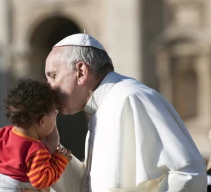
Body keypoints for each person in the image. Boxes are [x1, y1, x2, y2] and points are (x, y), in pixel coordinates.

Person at [25, 33, 207, 192]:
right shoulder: (100, 109)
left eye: (53, 75)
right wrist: (52, 150)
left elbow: (188, 174)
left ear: (81, 71)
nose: (49, 87)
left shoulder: (131, 97)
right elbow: (89, 188)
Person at [0, 78, 72, 192]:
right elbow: (40, 181)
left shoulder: (2, 134)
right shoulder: (37, 150)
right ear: (43, 121)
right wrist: (59, 161)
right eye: (55, 114)